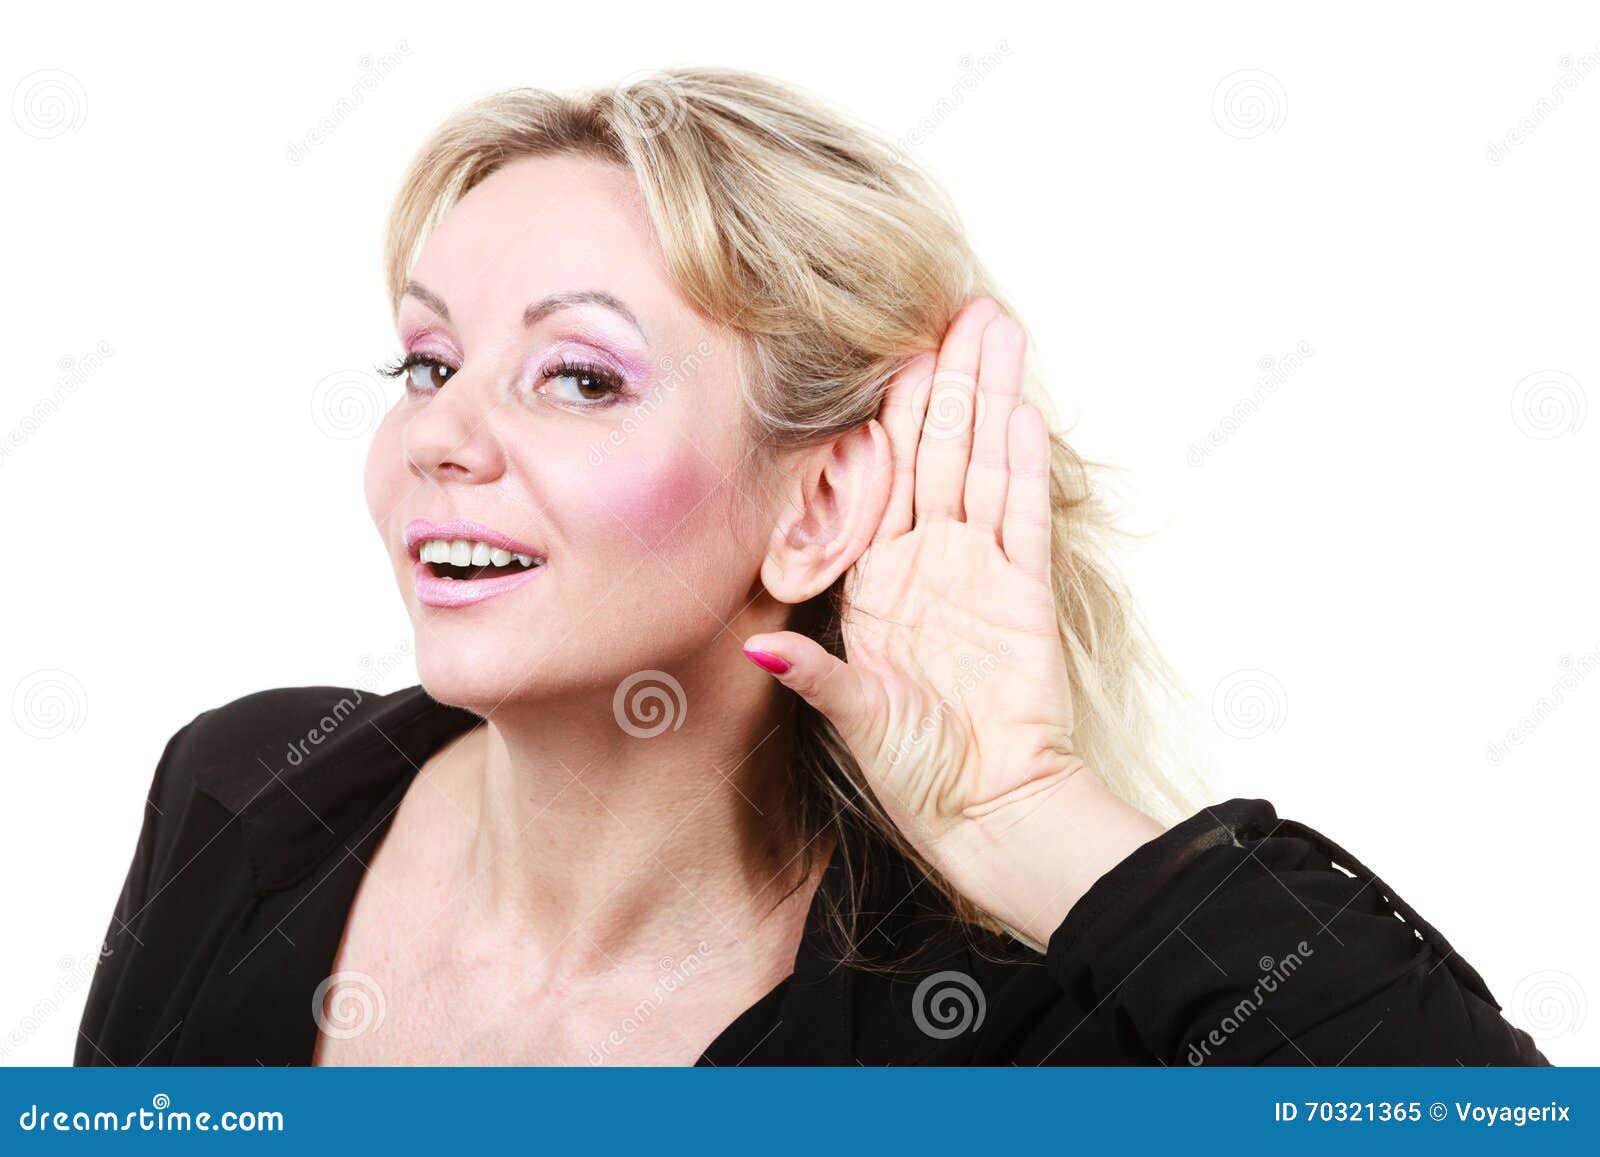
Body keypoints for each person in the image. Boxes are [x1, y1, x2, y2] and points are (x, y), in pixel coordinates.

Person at [75, 69, 1547, 1066]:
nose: (438, 434)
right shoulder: (245, 793)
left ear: (819, 505)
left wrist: (1032, 806)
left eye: (579, 377)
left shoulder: (996, 1028)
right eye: (428, 359)